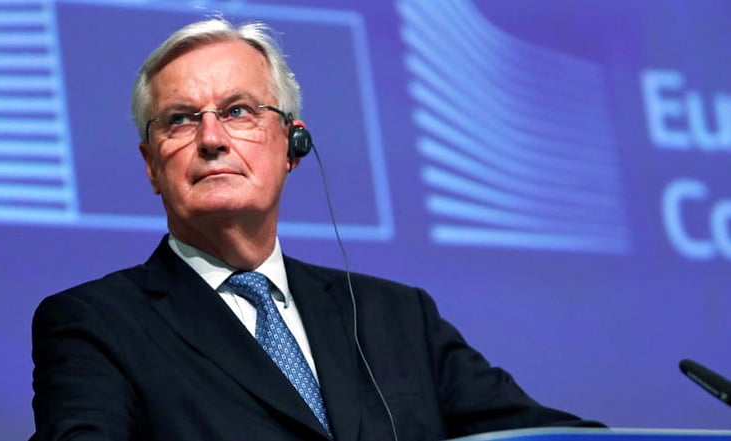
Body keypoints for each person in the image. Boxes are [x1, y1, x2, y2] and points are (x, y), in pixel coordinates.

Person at [30, 17, 603, 441]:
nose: (210, 139)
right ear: (152, 164)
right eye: (180, 120)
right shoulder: (93, 324)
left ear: (293, 145)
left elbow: (547, 437)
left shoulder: (400, 318)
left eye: (238, 111)